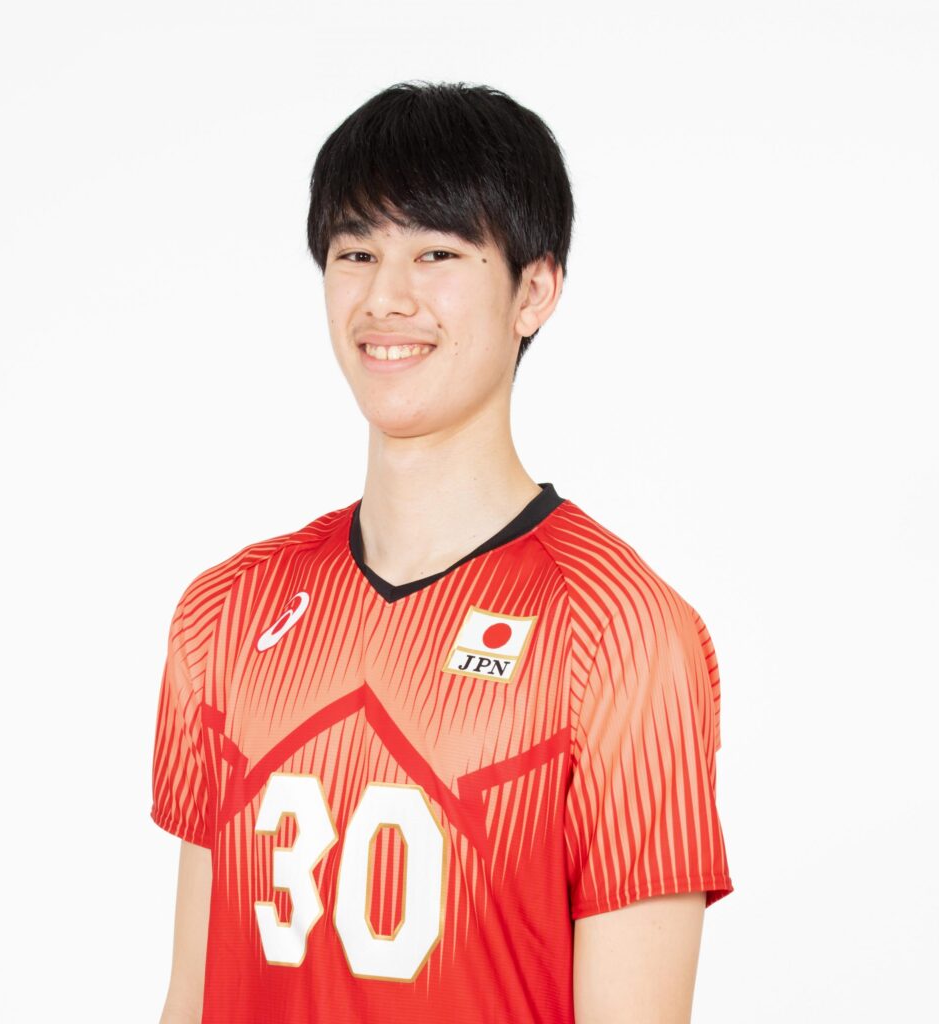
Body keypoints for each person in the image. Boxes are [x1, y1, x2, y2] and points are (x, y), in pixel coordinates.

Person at [150, 80, 734, 1024]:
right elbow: (193, 996)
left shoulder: (623, 634)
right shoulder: (227, 610)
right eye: (356, 252)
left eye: (436, 253)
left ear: (533, 291)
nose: (386, 297)